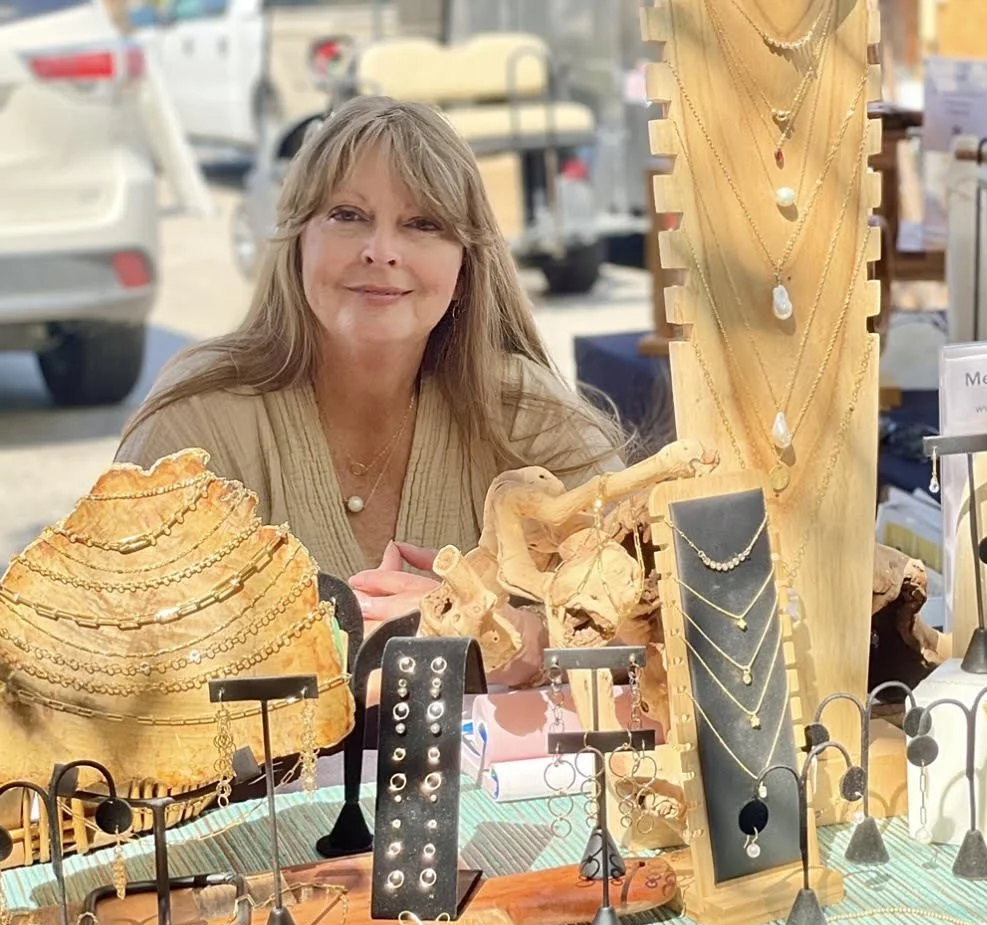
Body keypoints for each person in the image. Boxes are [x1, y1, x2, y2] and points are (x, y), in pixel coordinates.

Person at [116, 96, 624, 681]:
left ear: (465, 267)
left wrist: (500, 638)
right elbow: (116, 661)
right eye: (348, 215)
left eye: (422, 224)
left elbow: (650, 624)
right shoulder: (193, 429)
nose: (381, 251)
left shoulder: (527, 416)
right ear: (296, 240)